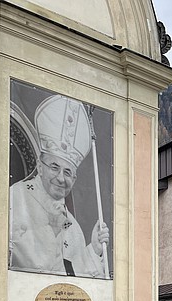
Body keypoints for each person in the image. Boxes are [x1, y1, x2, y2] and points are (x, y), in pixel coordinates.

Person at [10, 94, 110, 278]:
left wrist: (94, 250)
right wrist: (52, 231)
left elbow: (76, 276)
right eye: (54, 167)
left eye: (68, 172)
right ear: (40, 167)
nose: (61, 178)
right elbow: (22, 264)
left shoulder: (72, 225)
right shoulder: (16, 197)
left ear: (74, 178)